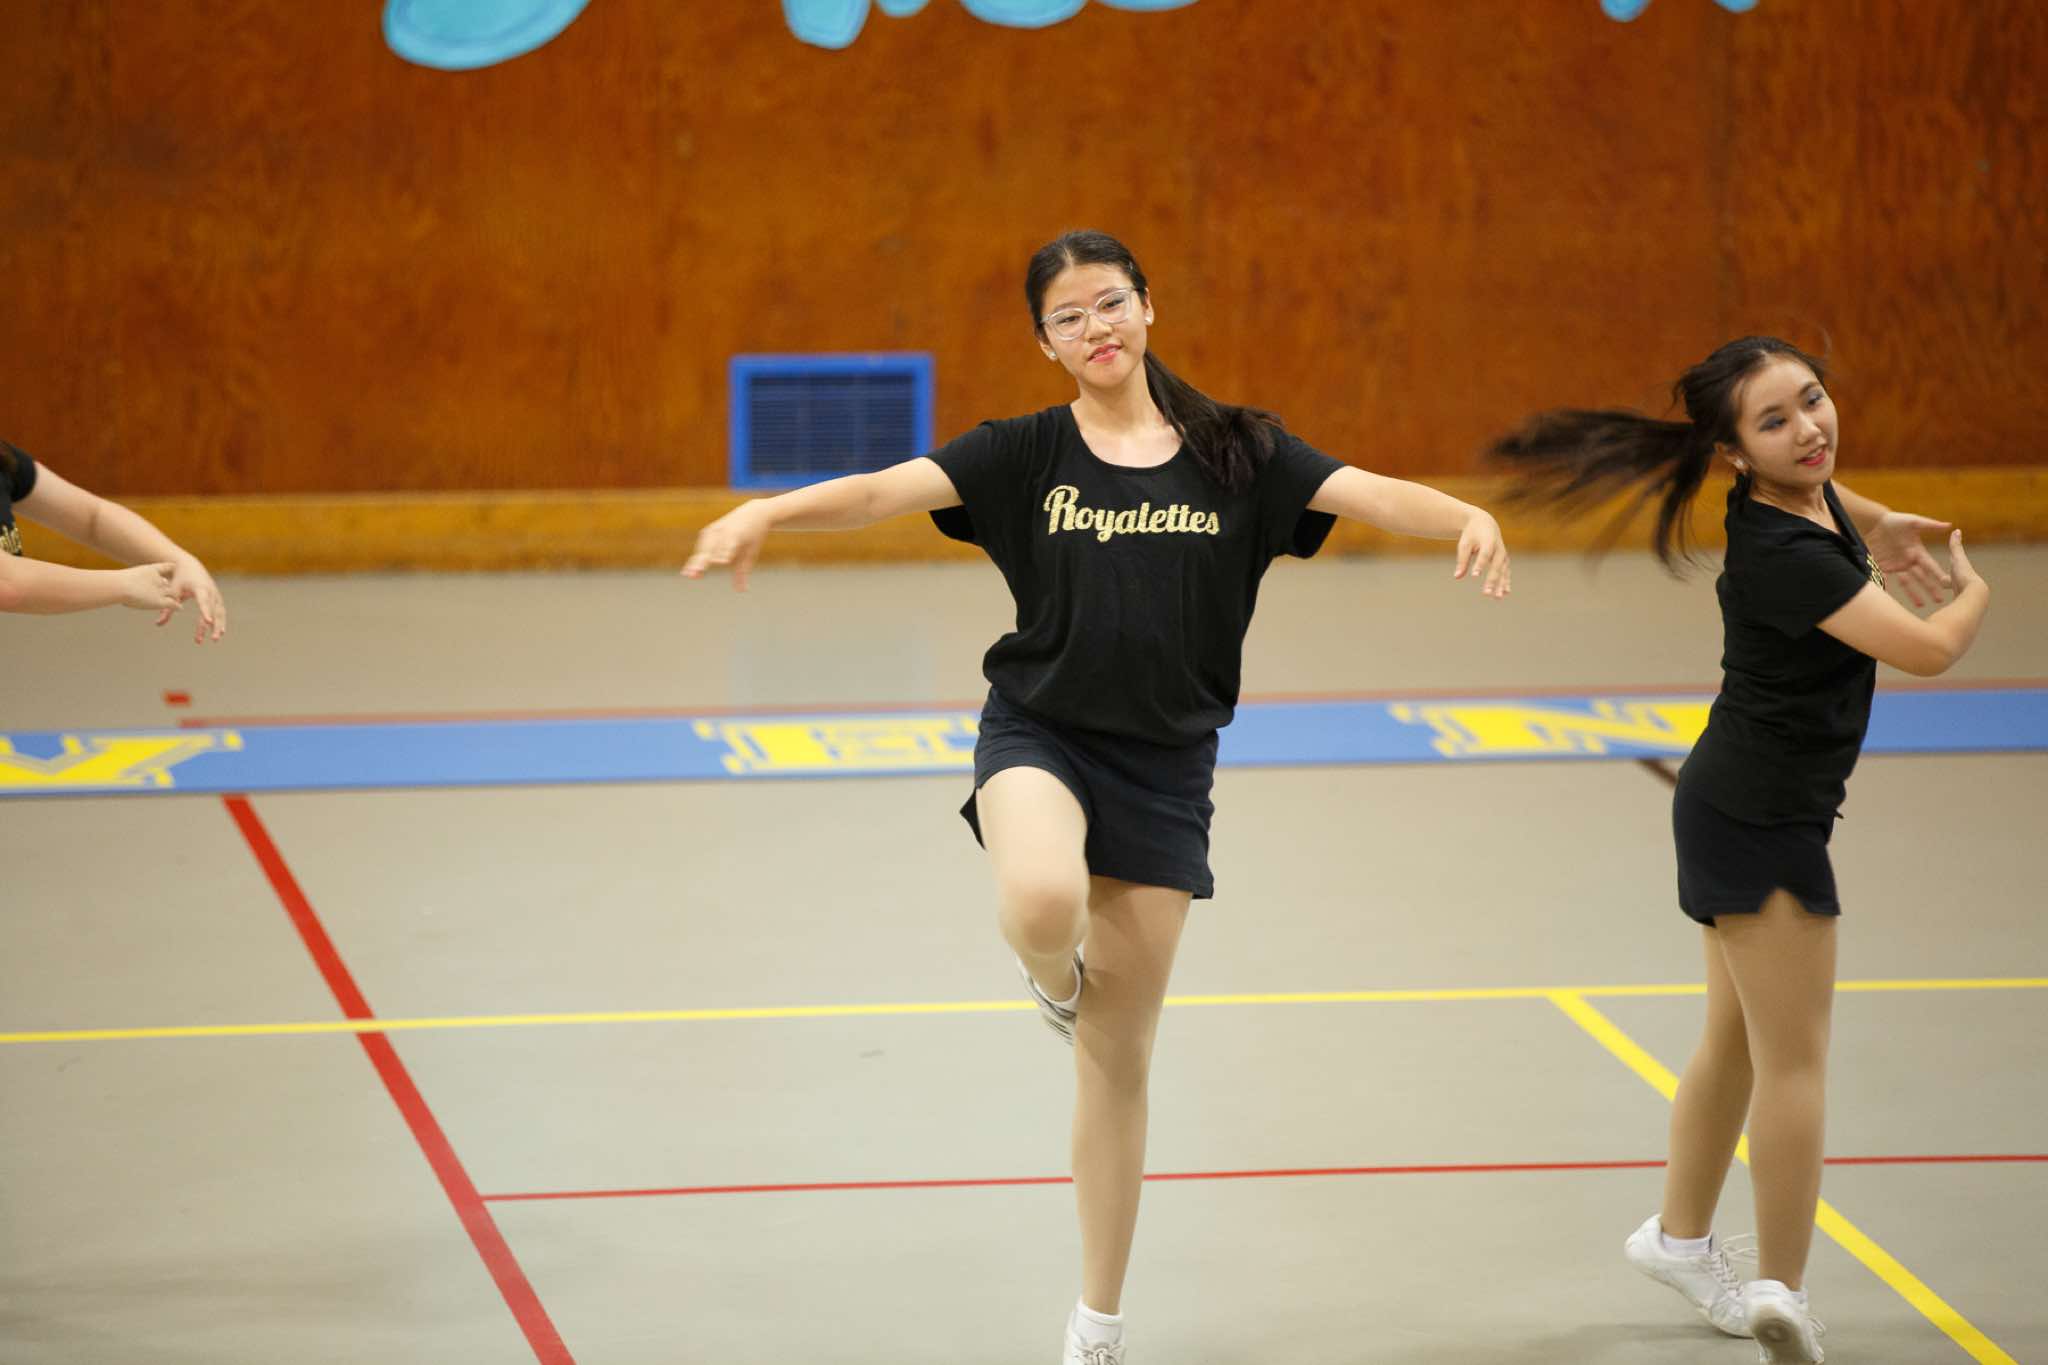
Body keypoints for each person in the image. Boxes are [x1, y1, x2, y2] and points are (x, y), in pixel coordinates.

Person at [684, 229, 1510, 1363]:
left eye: (1110, 303)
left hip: (1166, 768)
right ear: (1046, 343)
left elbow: (1362, 491)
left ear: (1147, 307)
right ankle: (1053, 979)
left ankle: (1097, 1324)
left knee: (1118, 1065)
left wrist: (1465, 515)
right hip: (1042, 730)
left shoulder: (1240, 451)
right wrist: (766, 513)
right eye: (1068, 318)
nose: (1096, 329)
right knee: (1038, 901)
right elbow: (880, 490)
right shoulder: (1022, 453)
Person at [1489, 336, 1990, 1363]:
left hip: (1736, 799)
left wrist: (1884, 521)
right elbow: (1932, 647)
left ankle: (1676, 1240)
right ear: (1732, 453)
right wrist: (1972, 588)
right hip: (1761, 820)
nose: (1808, 428)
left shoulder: (1796, 499)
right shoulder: (1785, 555)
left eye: (1812, 399)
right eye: (1774, 421)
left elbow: (1830, 495)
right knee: (1794, 1064)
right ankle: (1781, 1289)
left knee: (1733, 1041)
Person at [0, 437, 228, 640]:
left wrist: (179, 560)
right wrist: (124, 584)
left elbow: (92, 517)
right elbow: (9, 585)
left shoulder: (5, 460)